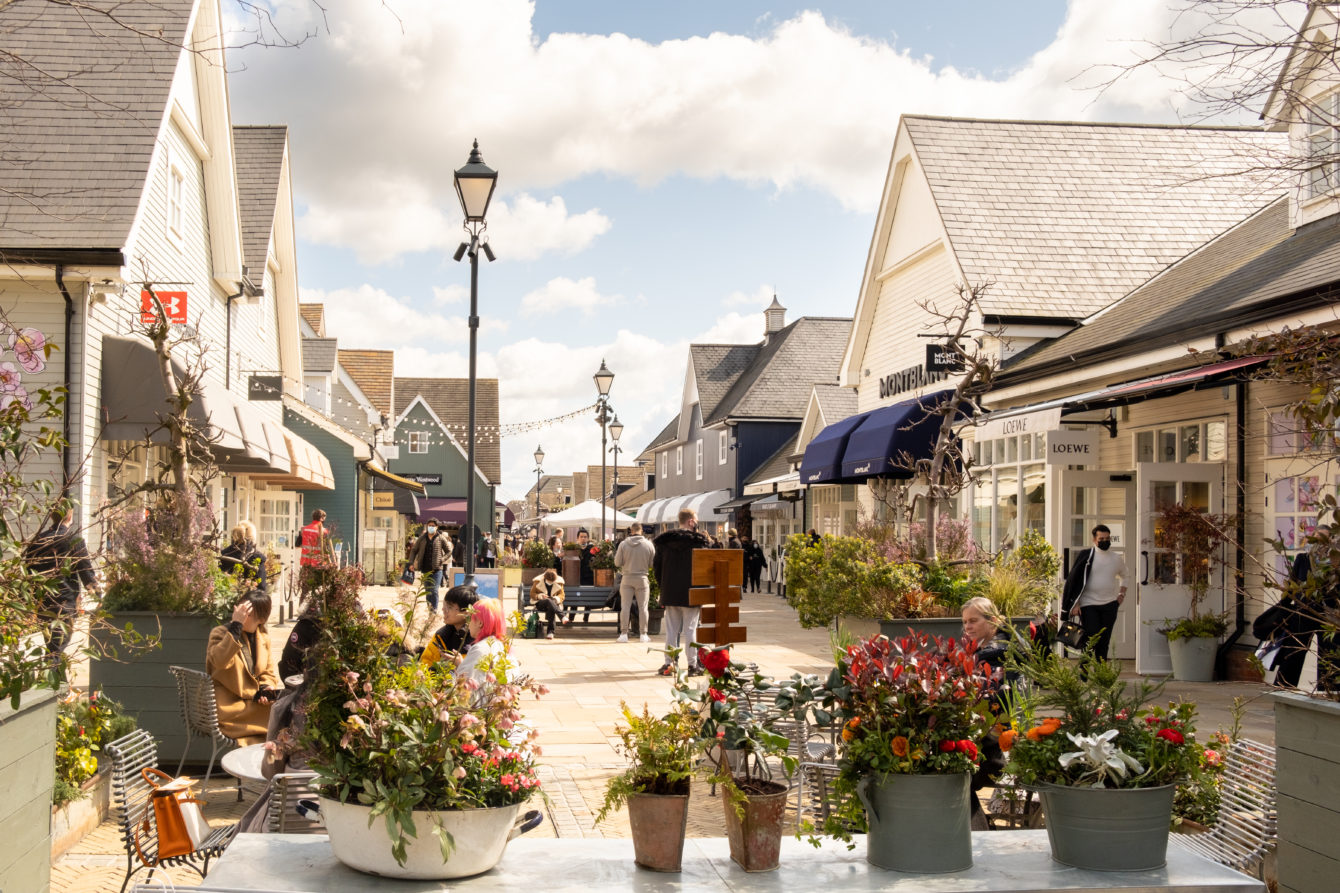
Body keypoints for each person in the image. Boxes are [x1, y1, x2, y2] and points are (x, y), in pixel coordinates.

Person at [961, 596, 1011, 830]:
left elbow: (987, 702)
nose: (967, 627)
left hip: (993, 753)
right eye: (964, 622)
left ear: (991, 621)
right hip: (986, 745)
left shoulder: (994, 653)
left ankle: (978, 835)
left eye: (973, 620)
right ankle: (978, 833)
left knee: (953, 781)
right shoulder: (983, 649)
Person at [24, 507, 99, 662]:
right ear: (70, 516)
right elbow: (85, 571)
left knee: (52, 645)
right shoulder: (72, 539)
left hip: (43, 600)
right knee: (56, 649)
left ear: (51, 516)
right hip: (65, 601)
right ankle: (49, 682)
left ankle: (57, 681)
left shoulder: (39, 539)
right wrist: (98, 593)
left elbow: (28, 570)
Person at [206, 590, 281, 745]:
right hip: (231, 708)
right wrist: (235, 627)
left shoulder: (263, 637)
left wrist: (266, 688)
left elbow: (267, 672)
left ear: (261, 619)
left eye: (246, 613)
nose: (239, 615)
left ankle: (267, 763)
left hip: (255, 705)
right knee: (284, 718)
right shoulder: (220, 634)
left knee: (289, 709)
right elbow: (219, 661)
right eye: (239, 610)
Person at [1276, 525, 1338, 688]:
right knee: (1294, 653)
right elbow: (1292, 586)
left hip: (1329, 615)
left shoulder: (1335, 563)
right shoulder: (1302, 559)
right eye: (1317, 538)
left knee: (1329, 657)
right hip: (1303, 613)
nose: (1320, 542)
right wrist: (1282, 608)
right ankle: (1283, 691)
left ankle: (1328, 693)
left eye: (1324, 538)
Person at [653, 508, 710, 676]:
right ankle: (692, 665)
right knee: (690, 629)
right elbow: (706, 569)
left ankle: (669, 663)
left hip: (670, 591)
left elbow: (657, 568)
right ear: (691, 521)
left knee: (671, 630)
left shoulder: (664, 543)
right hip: (692, 592)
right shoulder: (699, 542)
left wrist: (664, 586)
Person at [1062, 524, 1127, 661]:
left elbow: (1126, 575)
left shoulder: (1116, 558)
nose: (1105, 541)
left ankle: (1101, 672)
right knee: (1091, 637)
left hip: (1109, 605)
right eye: (1101, 538)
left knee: (1104, 640)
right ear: (1094, 539)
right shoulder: (1086, 556)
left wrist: (1121, 594)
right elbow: (1074, 580)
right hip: (1088, 604)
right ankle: (1084, 668)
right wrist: (1075, 603)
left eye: (1107, 538)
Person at [615, 523, 655, 643]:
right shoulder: (648, 544)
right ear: (641, 530)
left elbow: (617, 563)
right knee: (643, 607)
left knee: (625, 607)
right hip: (642, 578)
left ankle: (623, 634)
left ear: (631, 531)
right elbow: (652, 564)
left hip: (627, 578)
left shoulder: (623, 544)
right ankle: (643, 634)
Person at [457, 598, 510, 688]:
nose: (467, 623)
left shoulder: (479, 649)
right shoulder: (499, 644)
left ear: (480, 623)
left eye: (470, 618)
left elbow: (461, 686)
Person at [422, 585, 479, 664]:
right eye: (444, 605)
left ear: (466, 612)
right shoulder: (441, 636)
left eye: (449, 607)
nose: (443, 609)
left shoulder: (479, 638)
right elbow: (426, 662)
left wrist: (461, 665)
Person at [409, 521, 452, 612]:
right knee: (428, 592)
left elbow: (449, 551)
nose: (431, 527)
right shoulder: (422, 538)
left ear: (436, 527)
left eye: (433, 526)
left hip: (437, 569)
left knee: (434, 590)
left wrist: (442, 559)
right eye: (429, 526)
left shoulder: (441, 538)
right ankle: (430, 610)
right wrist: (411, 563)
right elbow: (414, 550)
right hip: (425, 569)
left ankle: (434, 610)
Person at [220, 521, 268, 594]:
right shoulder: (257, 557)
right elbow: (261, 587)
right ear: (252, 536)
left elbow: (219, 580)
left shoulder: (224, 554)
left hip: (225, 598)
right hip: (249, 601)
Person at [529, 568, 565, 639]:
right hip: (541, 603)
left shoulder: (559, 582)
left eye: (552, 582)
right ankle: (562, 616)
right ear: (545, 579)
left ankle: (550, 633)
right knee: (548, 601)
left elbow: (562, 595)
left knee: (551, 607)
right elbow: (532, 594)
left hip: (553, 603)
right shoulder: (538, 581)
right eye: (549, 582)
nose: (551, 583)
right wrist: (540, 596)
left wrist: (556, 598)